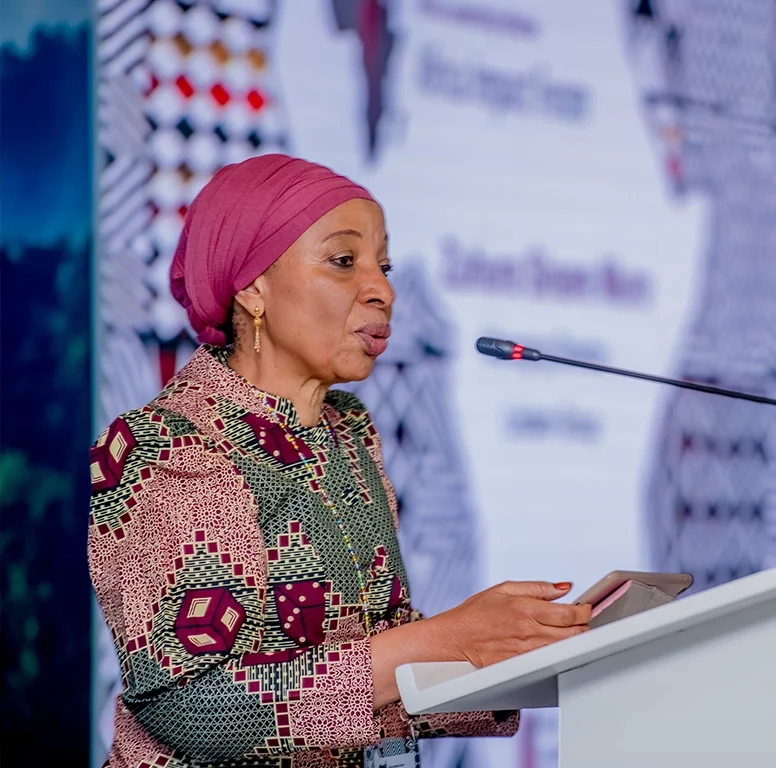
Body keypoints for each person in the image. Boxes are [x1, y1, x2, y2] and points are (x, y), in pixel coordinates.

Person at [88, 154, 591, 767]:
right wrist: (448, 639)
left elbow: (361, 675)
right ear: (252, 287)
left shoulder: (348, 433)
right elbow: (195, 708)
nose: (382, 289)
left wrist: (523, 654)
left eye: (383, 265)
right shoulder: (172, 447)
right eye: (344, 261)